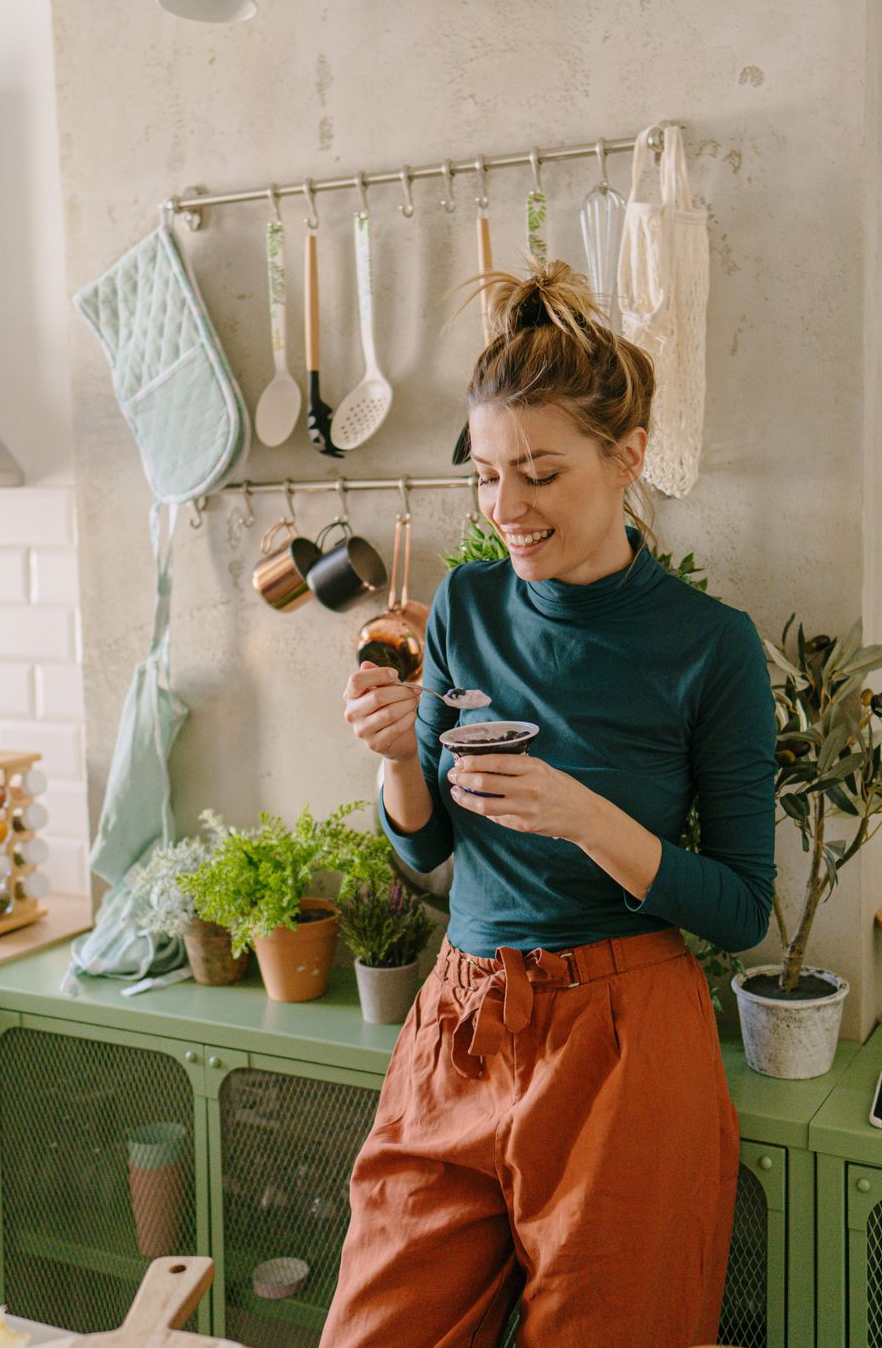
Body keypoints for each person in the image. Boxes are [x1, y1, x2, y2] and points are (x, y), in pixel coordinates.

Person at [321, 261, 776, 1347]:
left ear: (626, 460)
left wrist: (586, 816)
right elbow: (424, 849)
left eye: (538, 474)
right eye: (485, 477)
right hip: (459, 1023)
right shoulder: (465, 607)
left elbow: (744, 908)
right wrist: (395, 760)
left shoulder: (710, 648)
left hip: (624, 1041)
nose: (506, 510)